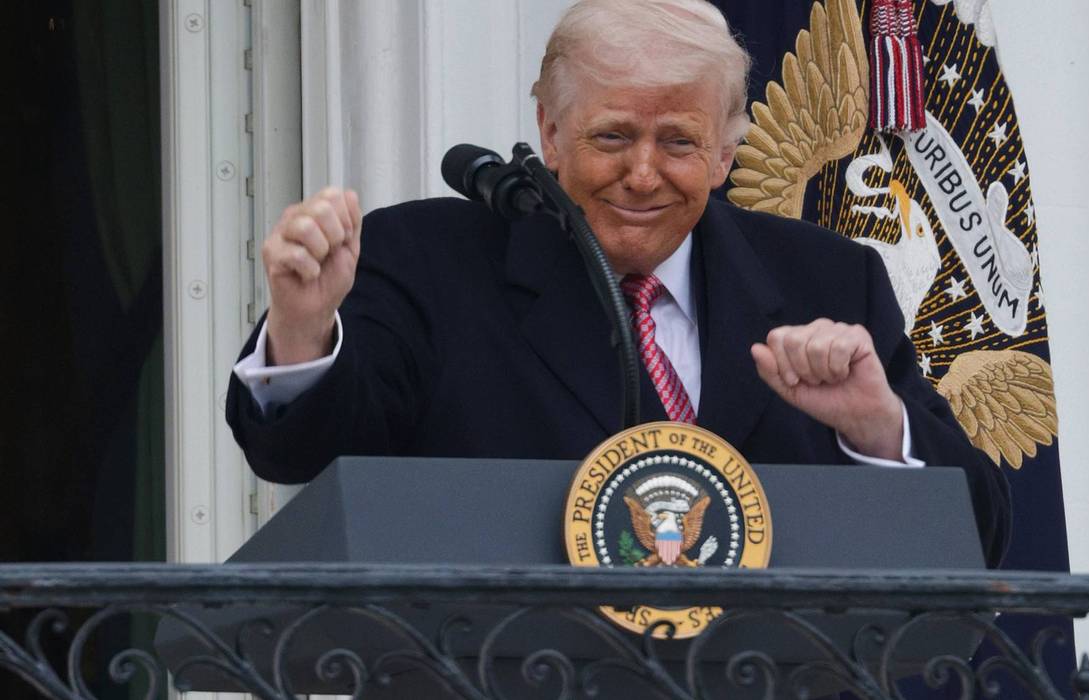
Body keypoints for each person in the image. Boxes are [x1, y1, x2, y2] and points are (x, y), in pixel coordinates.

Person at [226, 0, 1010, 565]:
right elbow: (300, 454)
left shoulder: (827, 279)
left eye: (678, 142)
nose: (641, 174)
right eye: (611, 137)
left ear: (725, 153)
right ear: (550, 133)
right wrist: (302, 329)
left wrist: (876, 426)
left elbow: (977, 533)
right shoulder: (424, 258)